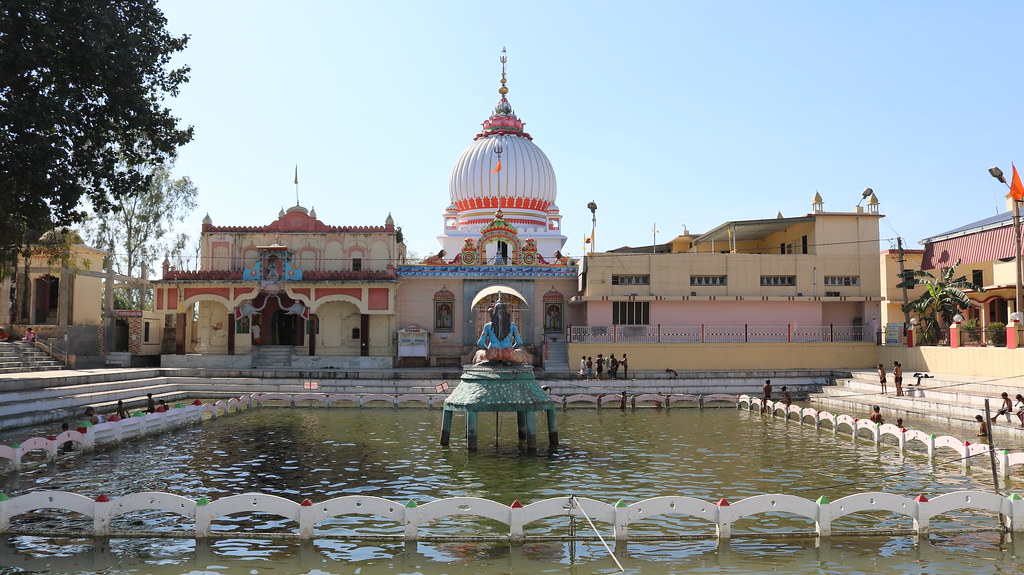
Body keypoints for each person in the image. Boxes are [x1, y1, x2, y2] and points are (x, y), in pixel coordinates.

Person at [472, 297, 529, 364]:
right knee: (519, 352)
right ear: (506, 311)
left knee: (478, 353)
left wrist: (488, 349)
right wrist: (511, 349)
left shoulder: (487, 326)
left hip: (492, 354)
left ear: (495, 311)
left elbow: (480, 343)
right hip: (509, 354)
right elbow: (519, 342)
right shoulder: (512, 325)